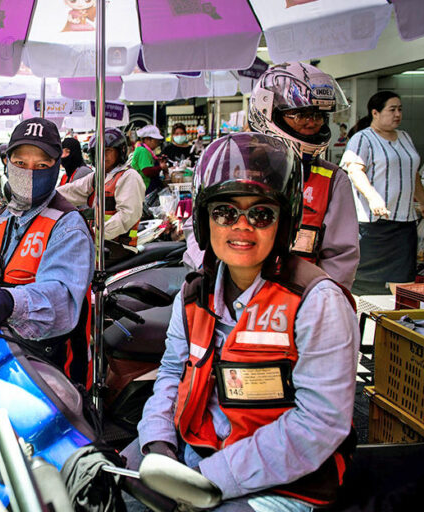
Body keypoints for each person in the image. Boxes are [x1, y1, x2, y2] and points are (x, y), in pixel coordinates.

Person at [125, 133, 358, 512]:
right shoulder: (193, 296)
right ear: (206, 221)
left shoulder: (317, 302)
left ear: (284, 224)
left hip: (286, 481)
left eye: (261, 214)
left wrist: (211, 478)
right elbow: (171, 375)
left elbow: (319, 423)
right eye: (225, 213)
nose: (242, 227)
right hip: (195, 449)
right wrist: (159, 444)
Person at [185, 62, 360, 291]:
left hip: (298, 302)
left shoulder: (333, 180)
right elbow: (196, 229)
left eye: (318, 115)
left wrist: (322, 302)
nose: (312, 122)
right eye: (300, 114)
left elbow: (341, 259)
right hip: (230, 296)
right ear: (268, 111)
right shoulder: (232, 164)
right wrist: (213, 277)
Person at [0, 117, 94, 384]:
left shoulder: (68, 226)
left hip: (49, 373)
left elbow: (63, 297)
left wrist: (11, 302)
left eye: (42, 165)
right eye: (21, 164)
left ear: (56, 168)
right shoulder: (1, 217)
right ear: (7, 163)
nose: (30, 172)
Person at [341, 91, 424, 295]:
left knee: (403, 278)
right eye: (392, 109)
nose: (397, 114)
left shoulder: (405, 137)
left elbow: (412, 173)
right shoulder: (362, 138)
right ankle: (361, 317)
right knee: (365, 281)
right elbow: (354, 170)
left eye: (400, 109)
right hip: (373, 224)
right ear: (375, 113)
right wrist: (373, 198)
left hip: (404, 223)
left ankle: (397, 320)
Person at [58, 127, 146, 265]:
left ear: (120, 151)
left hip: (118, 247)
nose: (103, 157)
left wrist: (95, 234)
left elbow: (126, 217)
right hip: (100, 242)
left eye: (108, 151)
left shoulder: (129, 177)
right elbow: (71, 191)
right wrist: (44, 198)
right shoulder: (97, 177)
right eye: (98, 152)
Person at [129, 125, 168, 194]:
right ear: (148, 139)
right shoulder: (142, 151)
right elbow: (147, 171)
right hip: (145, 189)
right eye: (156, 140)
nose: (158, 143)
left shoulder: (147, 151)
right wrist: (161, 167)